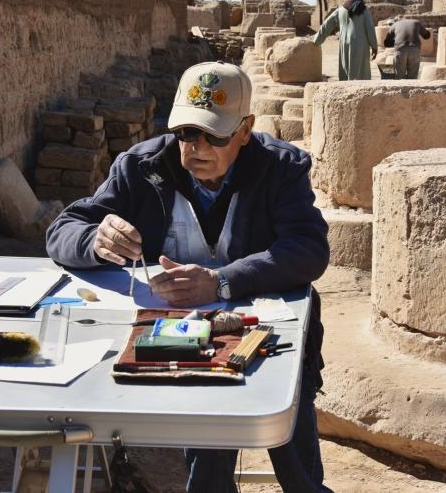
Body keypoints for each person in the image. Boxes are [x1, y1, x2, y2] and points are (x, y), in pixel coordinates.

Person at [45, 61, 332, 492]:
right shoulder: (141, 166)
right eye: (186, 133)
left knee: (294, 454)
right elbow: (61, 232)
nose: (196, 147)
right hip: (180, 338)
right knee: (206, 457)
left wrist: (222, 281)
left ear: (245, 129)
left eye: (213, 136)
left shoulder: (280, 167)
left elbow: (308, 250)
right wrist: (95, 240)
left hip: (272, 336)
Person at [312, 0, 377, 80]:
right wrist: (374, 46)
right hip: (360, 44)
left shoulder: (340, 10)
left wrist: (317, 40)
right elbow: (370, 29)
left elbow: (326, 25)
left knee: (345, 66)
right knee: (360, 69)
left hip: (344, 42)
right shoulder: (363, 10)